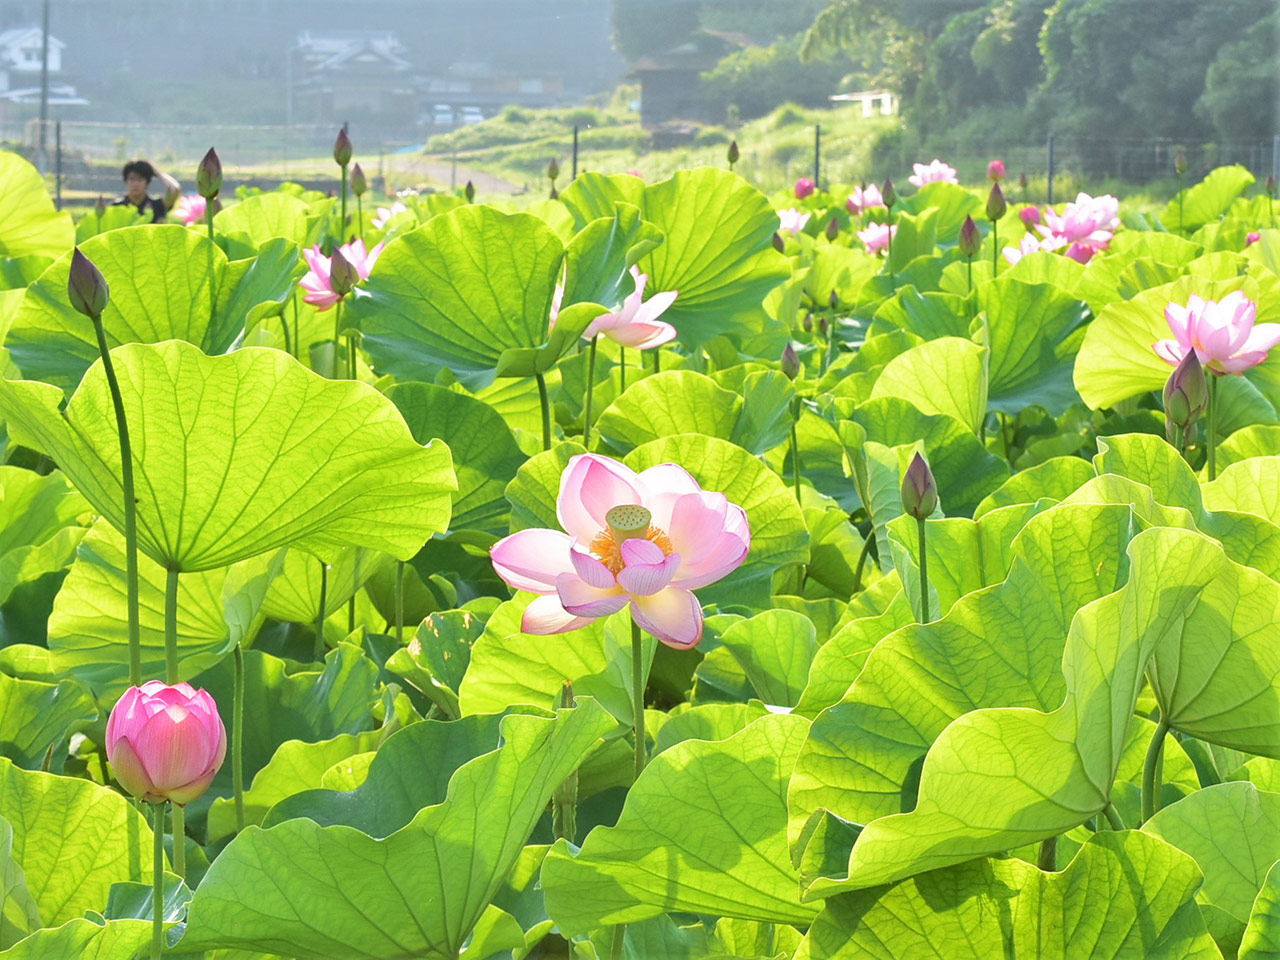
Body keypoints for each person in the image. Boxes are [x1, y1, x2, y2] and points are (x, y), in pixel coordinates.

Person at [111, 159, 181, 223]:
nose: (135, 184)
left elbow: (174, 189)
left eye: (140, 179)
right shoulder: (116, 207)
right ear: (126, 181)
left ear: (147, 182)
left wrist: (157, 173)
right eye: (132, 179)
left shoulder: (157, 206)